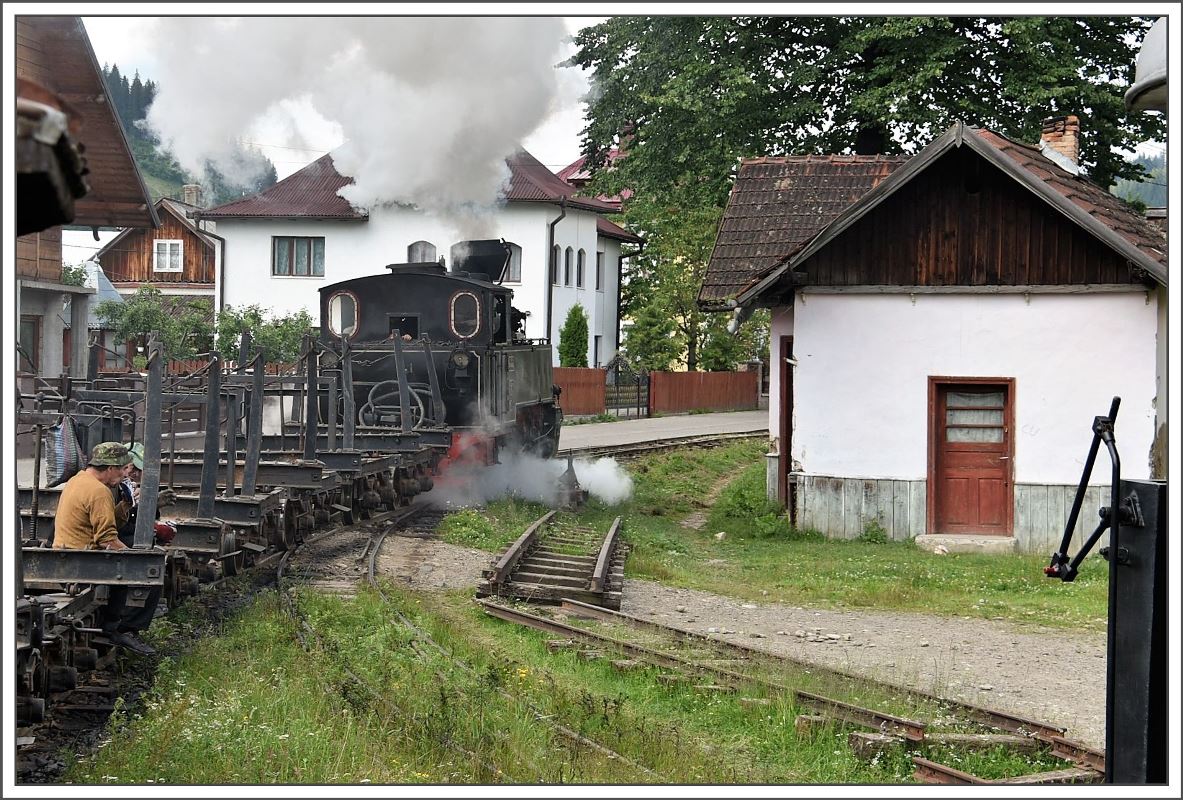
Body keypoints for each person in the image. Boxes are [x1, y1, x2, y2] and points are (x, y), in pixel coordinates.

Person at [53, 441, 157, 655]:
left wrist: (126, 505)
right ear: (110, 468)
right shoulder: (99, 492)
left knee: (130, 558)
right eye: (121, 471)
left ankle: (113, 622)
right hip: (83, 563)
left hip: (65, 557)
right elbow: (107, 540)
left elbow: (104, 525)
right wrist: (134, 559)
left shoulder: (77, 480)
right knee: (150, 572)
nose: (123, 476)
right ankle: (120, 628)